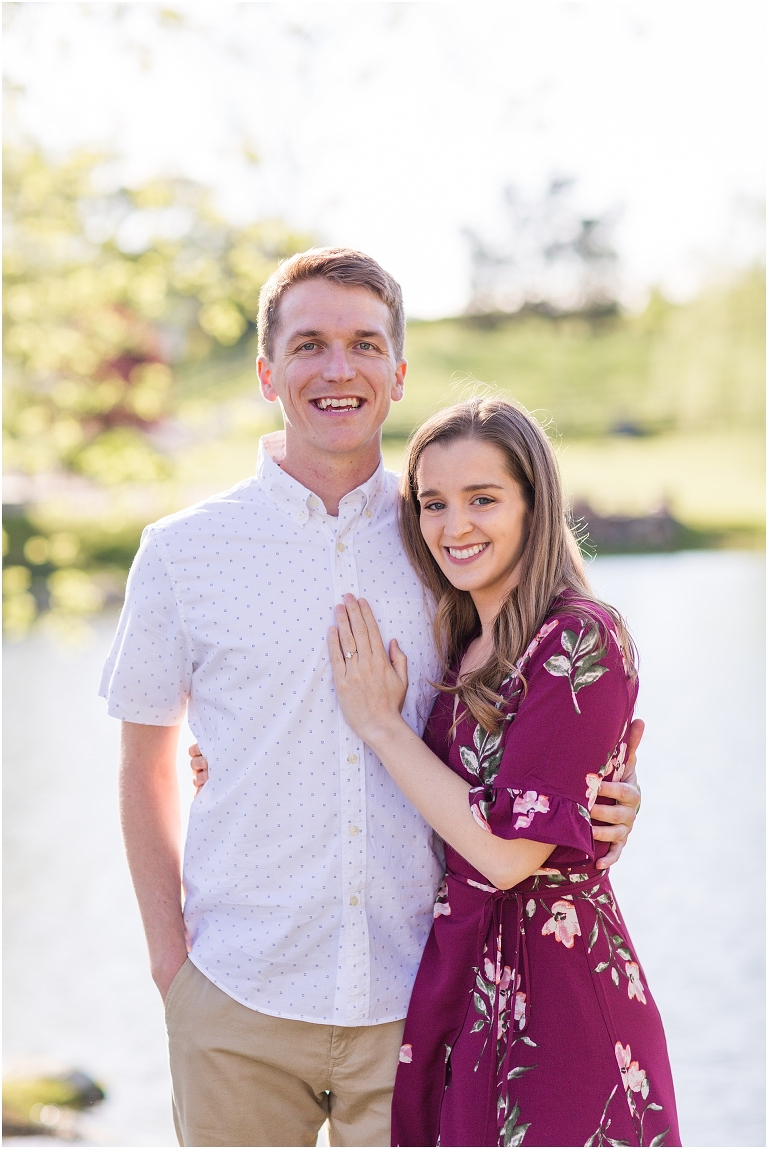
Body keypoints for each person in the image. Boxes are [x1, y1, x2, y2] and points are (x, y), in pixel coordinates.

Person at [99, 248, 642, 1148]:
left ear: (398, 372)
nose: (338, 368)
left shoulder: (448, 538)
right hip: (237, 997)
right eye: (309, 343)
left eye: (364, 343)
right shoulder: (181, 553)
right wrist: (173, 965)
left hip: (423, 1000)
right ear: (268, 370)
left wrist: (609, 801)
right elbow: (144, 762)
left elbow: (541, 716)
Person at [325, 396, 679, 1147]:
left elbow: (507, 852)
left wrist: (383, 726)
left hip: (561, 1001)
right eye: (433, 503)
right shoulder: (461, 643)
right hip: (466, 984)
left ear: (533, 503)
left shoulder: (580, 633)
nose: (455, 526)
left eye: (482, 498)